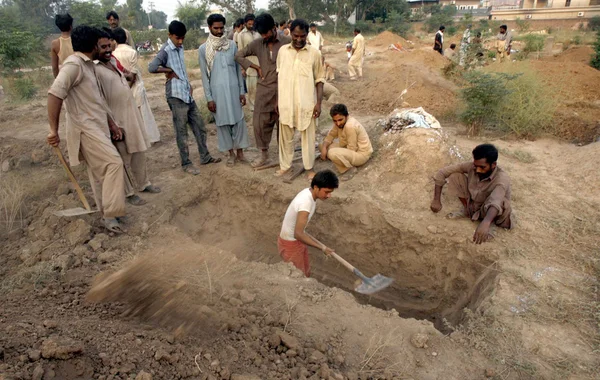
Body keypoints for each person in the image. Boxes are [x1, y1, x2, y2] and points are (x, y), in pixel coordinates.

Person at [47, 25, 126, 233]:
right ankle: (110, 215)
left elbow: (96, 100)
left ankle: (108, 215)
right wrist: (53, 130)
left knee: (100, 172)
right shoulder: (73, 66)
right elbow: (55, 94)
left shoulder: (88, 65)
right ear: (93, 45)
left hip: (97, 125)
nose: (105, 47)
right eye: (100, 43)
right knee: (114, 163)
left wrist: (111, 122)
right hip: (85, 129)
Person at [95, 29, 161, 207]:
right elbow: (99, 99)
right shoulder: (95, 69)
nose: (108, 49)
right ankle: (129, 192)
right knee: (122, 156)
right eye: (104, 47)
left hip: (131, 112)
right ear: (95, 47)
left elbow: (130, 74)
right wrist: (112, 123)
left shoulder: (113, 61)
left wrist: (129, 76)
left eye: (110, 45)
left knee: (139, 150)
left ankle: (143, 183)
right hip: (116, 119)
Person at [148, 21, 221, 175]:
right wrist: (168, 70)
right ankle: (186, 163)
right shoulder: (165, 50)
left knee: (200, 126)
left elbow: (181, 69)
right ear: (169, 35)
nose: (180, 41)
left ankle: (205, 156)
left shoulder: (180, 48)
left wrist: (188, 84)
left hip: (186, 93)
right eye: (177, 38)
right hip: (175, 95)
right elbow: (152, 67)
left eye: (182, 38)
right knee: (181, 132)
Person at [235, 13, 291, 168]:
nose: (265, 36)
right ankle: (263, 155)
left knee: (283, 123)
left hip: (284, 89)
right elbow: (238, 55)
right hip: (264, 90)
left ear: (274, 28)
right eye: (262, 34)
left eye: (267, 33)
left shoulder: (287, 42)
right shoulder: (258, 43)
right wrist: (254, 67)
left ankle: (284, 156)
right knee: (259, 123)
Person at [430, 143, 513, 244]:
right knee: (455, 176)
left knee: (501, 201)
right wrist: (436, 200)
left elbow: (495, 202)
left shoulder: (501, 178)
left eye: (482, 167)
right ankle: (467, 210)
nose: (477, 170)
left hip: (491, 210)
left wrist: (485, 223)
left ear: (493, 165)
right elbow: (442, 173)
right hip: (474, 204)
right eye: (475, 165)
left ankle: (490, 224)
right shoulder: (472, 167)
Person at [276, 18, 325, 180]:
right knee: (285, 138)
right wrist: (277, 100)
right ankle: (285, 166)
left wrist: (318, 103)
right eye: (295, 36)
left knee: (308, 139)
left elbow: (319, 80)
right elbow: (279, 77)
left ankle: (309, 168)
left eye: (302, 36)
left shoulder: (315, 54)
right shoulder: (282, 51)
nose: (298, 40)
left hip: (307, 104)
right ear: (290, 33)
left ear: (307, 35)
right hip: (286, 103)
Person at [199, 14, 249, 167]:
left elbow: (237, 70)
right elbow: (204, 76)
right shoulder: (203, 49)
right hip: (217, 94)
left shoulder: (232, 45)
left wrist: (241, 91)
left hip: (234, 90)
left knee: (238, 120)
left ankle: (240, 153)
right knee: (222, 123)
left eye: (221, 28)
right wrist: (209, 98)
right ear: (209, 28)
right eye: (216, 28)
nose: (219, 31)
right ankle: (231, 154)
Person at [278, 170, 339, 277]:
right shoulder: (305, 203)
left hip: (296, 240)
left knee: (305, 273)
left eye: (330, 192)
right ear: (316, 187)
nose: (329, 195)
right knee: (298, 278)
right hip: (291, 244)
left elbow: (299, 232)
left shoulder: (309, 192)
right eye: (327, 192)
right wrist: (322, 248)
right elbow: (298, 234)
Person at [111, 27, 160, 144]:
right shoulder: (132, 52)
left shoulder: (113, 54)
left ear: (114, 40)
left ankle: (135, 139)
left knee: (129, 115)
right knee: (143, 113)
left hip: (121, 87)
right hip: (135, 85)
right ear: (126, 37)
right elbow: (133, 74)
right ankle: (149, 138)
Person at [320, 104, 372, 181]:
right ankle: (336, 157)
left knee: (332, 153)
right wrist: (324, 148)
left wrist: (335, 152)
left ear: (346, 116)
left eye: (340, 120)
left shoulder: (350, 126)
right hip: (347, 148)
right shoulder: (339, 123)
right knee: (322, 145)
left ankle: (349, 169)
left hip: (361, 155)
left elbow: (352, 149)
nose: (338, 123)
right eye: (335, 121)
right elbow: (330, 136)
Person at [235, 14, 261, 111]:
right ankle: (253, 107)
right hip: (249, 64)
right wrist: (242, 68)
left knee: (260, 86)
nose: (251, 24)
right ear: (245, 23)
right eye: (249, 22)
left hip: (260, 62)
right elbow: (240, 51)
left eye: (252, 21)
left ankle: (260, 105)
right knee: (252, 87)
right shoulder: (241, 35)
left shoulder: (257, 33)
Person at [51, 13, 74, 78]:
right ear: (71, 26)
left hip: (66, 76)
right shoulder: (78, 40)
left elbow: (55, 68)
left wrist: (58, 81)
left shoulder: (55, 43)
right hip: (80, 75)